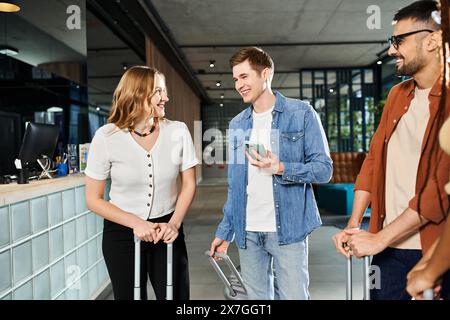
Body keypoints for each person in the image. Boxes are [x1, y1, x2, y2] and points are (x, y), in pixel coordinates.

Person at [332, 0, 450, 300]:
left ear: (433, 40)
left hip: (432, 251)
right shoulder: (399, 95)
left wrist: (378, 239)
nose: (391, 50)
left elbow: (439, 191)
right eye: (391, 41)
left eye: (399, 40)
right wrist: (355, 224)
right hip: (387, 251)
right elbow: (374, 161)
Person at [209, 47, 332, 300]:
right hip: (248, 231)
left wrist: (281, 168)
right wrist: (225, 232)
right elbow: (235, 185)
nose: (239, 85)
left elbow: (324, 170)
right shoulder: (237, 124)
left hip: (288, 229)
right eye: (235, 79)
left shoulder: (302, 113)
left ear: (265, 74)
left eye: (244, 77)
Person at [85, 66, 198, 300]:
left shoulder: (178, 131)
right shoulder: (106, 137)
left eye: (164, 91)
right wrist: (135, 222)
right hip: (122, 233)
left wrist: (174, 224)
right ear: (137, 93)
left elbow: (189, 183)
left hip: (167, 229)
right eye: (158, 91)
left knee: (177, 297)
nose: (165, 98)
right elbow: (93, 200)